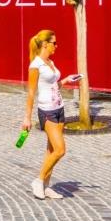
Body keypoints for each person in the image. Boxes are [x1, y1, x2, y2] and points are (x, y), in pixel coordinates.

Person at [23, 28, 75, 199]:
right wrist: (27, 118)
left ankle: (46, 186)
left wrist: (65, 80)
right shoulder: (35, 65)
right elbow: (31, 93)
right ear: (45, 44)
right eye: (54, 43)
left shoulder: (51, 63)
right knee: (60, 150)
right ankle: (38, 180)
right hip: (47, 111)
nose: (56, 46)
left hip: (59, 108)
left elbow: (53, 86)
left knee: (50, 150)